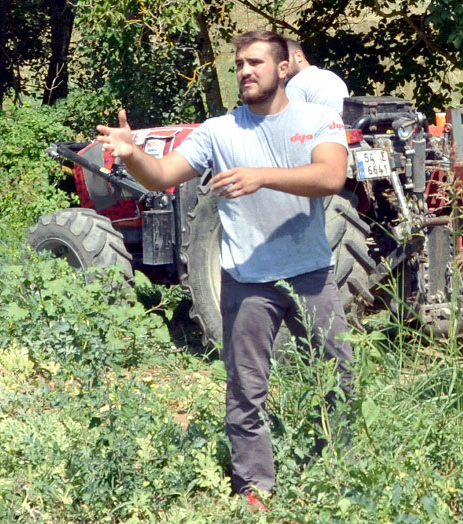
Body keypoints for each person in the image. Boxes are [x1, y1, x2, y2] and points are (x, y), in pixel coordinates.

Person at [97, 30, 354, 511]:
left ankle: (339, 471)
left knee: (337, 376)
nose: (244, 71)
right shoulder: (218, 131)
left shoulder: (318, 119)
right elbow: (163, 176)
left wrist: (261, 176)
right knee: (245, 388)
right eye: (238, 64)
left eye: (255, 62)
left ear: (283, 68)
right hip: (246, 277)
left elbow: (330, 176)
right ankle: (254, 487)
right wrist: (134, 155)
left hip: (311, 275)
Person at [285, 38, 350, 115]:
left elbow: (291, 122)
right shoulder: (331, 76)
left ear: (298, 56)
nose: (279, 65)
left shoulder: (295, 85)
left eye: (283, 59)